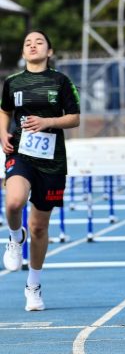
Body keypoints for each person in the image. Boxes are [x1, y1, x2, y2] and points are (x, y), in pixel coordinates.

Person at [1, 30, 80, 311]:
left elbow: (74, 119)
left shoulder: (61, 82)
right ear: (23, 53)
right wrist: (2, 134)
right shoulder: (12, 82)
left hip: (52, 161)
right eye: (27, 43)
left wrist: (48, 122)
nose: (32, 46)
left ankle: (33, 286)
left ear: (49, 51)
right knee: (13, 202)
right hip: (21, 154)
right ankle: (13, 236)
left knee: (38, 226)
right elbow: (4, 111)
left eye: (39, 42)